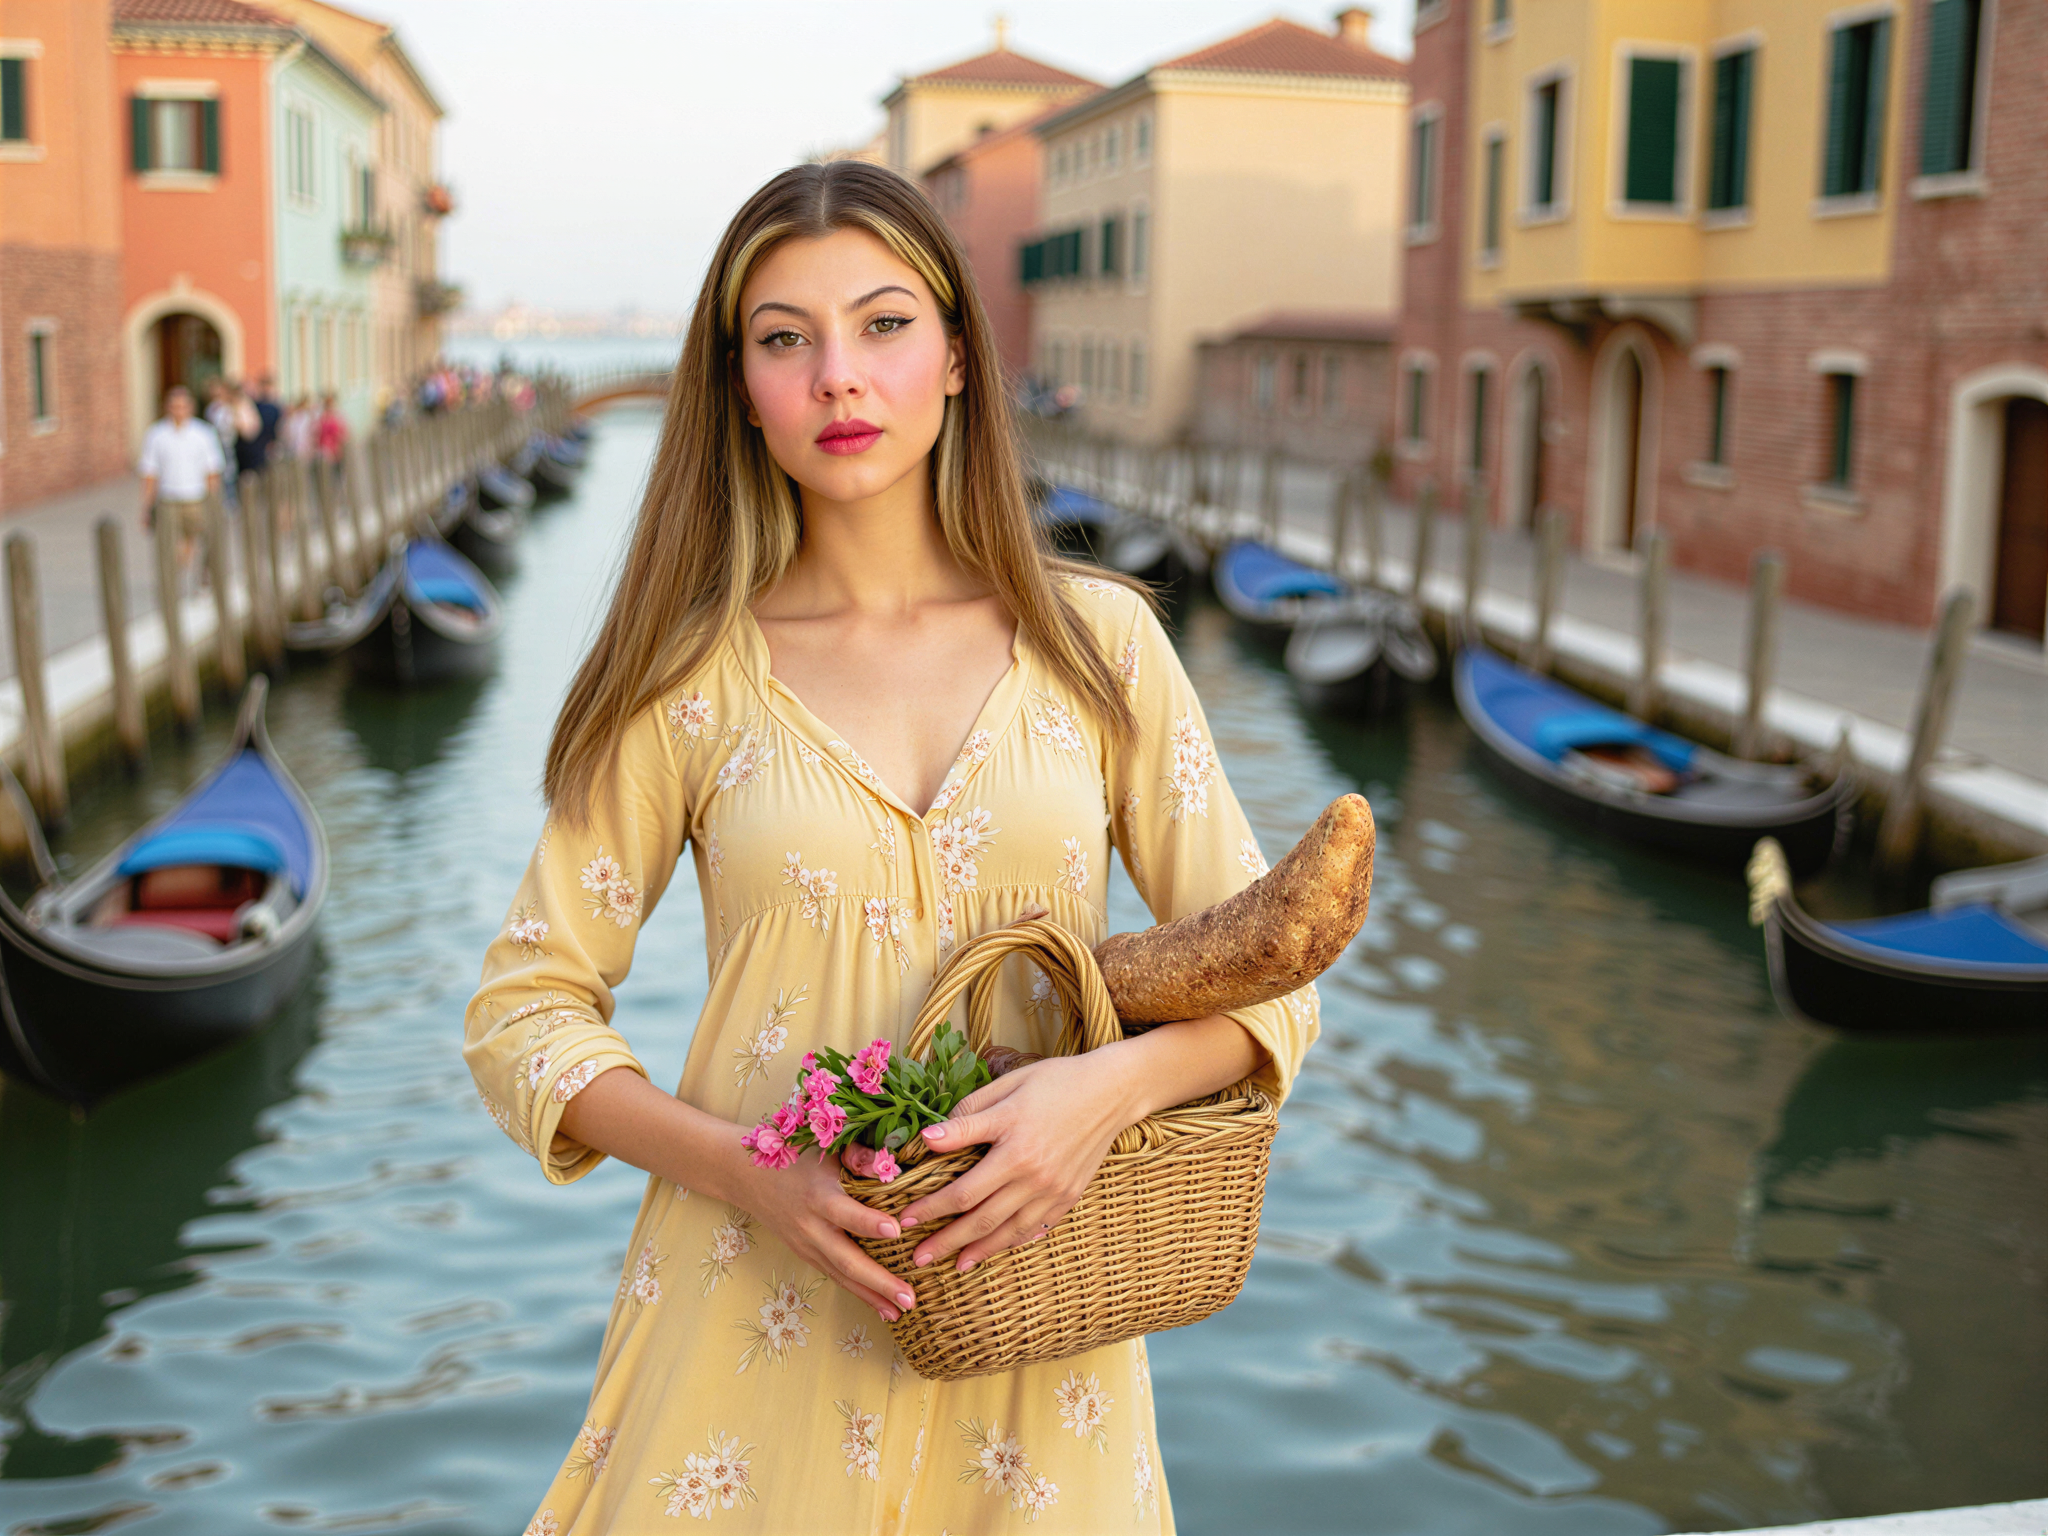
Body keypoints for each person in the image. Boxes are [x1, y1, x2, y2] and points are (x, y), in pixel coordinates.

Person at [464, 161, 1317, 1532]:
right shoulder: (682, 678)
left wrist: (1099, 1099)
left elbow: (1274, 974)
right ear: (739, 384)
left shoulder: (1104, 649)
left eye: (883, 325)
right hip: (747, 1330)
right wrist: (758, 1171)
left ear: (961, 358)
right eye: (783, 340)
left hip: (1044, 1351)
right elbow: (522, 1017)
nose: (837, 380)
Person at [137, 385, 224, 583]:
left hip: (196, 497)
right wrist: (146, 506)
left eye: (183, 406)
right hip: (168, 498)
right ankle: (174, 577)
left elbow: (212, 470)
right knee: (169, 542)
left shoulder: (203, 433)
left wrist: (213, 499)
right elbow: (150, 473)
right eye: (175, 406)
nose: (179, 410)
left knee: (197, 538)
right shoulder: (156, 434)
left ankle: (198, 576)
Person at [314, 391, 347, 464]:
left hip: (335, 448)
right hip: (325, 449)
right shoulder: (322, 418)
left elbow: (342, 433)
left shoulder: (338, 416)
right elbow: (318, 433)